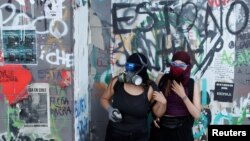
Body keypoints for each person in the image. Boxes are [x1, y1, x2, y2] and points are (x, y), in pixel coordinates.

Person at [100, 52, 167, 141]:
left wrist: (163, 103)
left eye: (131, 67)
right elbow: (104, 99)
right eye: (127, 66)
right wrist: (109, 109)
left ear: (142, 70)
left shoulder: (150, 88)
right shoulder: (117, 82)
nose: (128, 71)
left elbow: (158, 114)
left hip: (139, 136)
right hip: (115, 134)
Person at [150, 51, 201, 141]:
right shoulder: (162, 79)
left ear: (187, 67)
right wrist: (154, 117)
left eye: (181, 65)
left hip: (182, 130)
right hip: (162, 129)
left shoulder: (192, 84)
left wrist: (183, 96)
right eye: (174, 64)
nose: (177, 67)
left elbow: (197, 115)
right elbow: (152, 101)